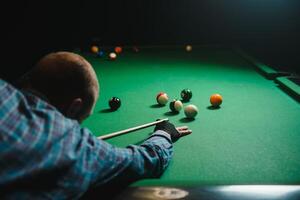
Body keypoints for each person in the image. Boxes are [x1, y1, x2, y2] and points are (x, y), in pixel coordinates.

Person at [0, 52, 192, 199]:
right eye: (83, 117)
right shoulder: (75, 146)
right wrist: (164, 133)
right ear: (75, 108)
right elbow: (145, 161)